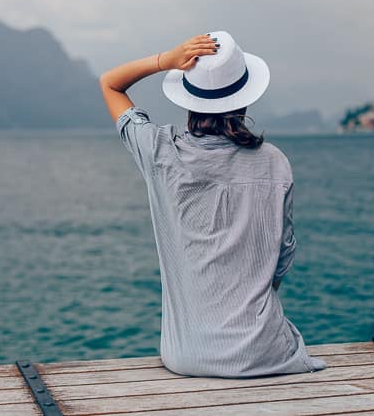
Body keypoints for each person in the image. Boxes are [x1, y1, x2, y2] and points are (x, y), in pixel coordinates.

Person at [99, 30, 327, 378]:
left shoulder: (161, 152)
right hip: (262, 354)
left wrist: (167, 60)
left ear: (189, 97)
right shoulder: (275, 162)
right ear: (245, 97)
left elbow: (111, 84)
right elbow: (284, 254)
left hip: (185, 356)